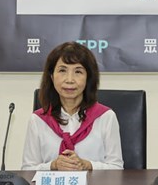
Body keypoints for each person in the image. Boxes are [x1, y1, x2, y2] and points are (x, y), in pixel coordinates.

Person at [22, 42, 123, 170]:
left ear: (88, 78)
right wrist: (53, 166)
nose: (69, 79)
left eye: (78, 72)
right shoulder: (38, 120)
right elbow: (27, 170)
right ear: (52, 76)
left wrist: (88, 165)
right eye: (62, 70)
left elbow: (117, 168)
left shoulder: (105, 117)